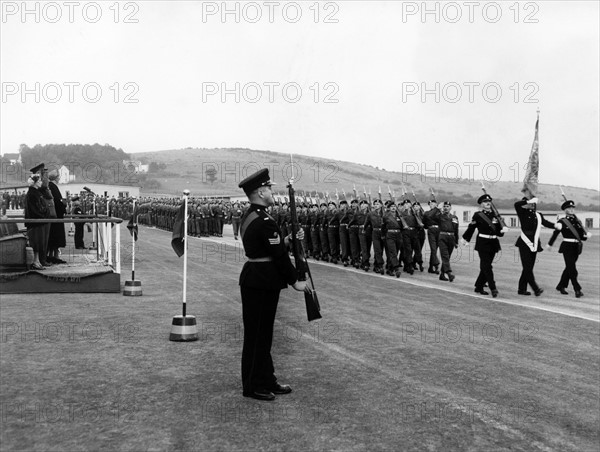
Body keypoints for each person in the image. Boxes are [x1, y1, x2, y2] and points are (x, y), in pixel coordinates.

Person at [237, 168, 307, 401]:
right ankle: (254, 385)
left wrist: (286, 240)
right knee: (258, 335)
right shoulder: (264, 220)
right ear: (259, 192)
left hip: (258, 277)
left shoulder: (253, 215)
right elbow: (277, 256)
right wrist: (295, 280)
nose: (271, 191)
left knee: (263, 334)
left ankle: (266, 379)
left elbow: (270, 248)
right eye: (267, 188)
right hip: (261, 279)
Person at [461, 194, 505, 297]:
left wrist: (503, 229)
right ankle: (493, 287)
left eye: (489, 201)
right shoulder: (478, 215)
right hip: (483, 243)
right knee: (487, 267)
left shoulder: (496, 216)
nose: (488, 203)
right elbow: (471, 228)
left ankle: (478, 286)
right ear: (481, 204)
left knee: (485, 267)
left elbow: (499, 233)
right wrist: (466, 239)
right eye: (485, 202)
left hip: (493, 243)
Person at [547, 199, 590, 298]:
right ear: (565, 210)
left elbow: (581, 236)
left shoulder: (577, 221)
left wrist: (586, 236)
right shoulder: (562, 221)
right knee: (573, 270)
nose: (571, 209)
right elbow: (555, 234)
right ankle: (577, 289)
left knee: (569, 268)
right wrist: (550, 244)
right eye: (569, 208)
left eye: (572, 208)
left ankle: (561, 285)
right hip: (567, 247)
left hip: (576, 247)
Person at [514, 197, 555, 296]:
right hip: (524, 243)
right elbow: (516, 205)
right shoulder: (522, 213)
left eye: (533, 203)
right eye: (529, 204)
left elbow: (545, 223)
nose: (531, 205)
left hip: (535, 243)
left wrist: (555, 225)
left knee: (528, 268)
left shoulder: (538, 215)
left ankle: (521, 289)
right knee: (527, 268)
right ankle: (535, 288)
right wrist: (527, 201)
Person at [24, 166, 49, 270]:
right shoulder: (32, 194)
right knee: (36, 242)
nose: (40, 182)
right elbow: (35, 210)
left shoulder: (36, 192)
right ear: (34, 182)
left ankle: (37, 260)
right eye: (38, 181)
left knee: (39, 243)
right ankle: (35, 261)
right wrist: (43, 215)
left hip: (38, 221)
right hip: (35, 222)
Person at [46, 171, 67, 264]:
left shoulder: (50, 186)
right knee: (55, 236)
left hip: (55, 215)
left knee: (53, 237)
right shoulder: (53, 187)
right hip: (56, 215)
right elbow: (57, 202)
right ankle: (54, 256)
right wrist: (64, 207)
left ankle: (52, 255)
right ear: (56, 177)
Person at [437, 202, 459, 282]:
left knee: (447, 257)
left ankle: (442, 274)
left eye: (448, 206)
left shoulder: (454, 218)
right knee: (445, 256)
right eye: (445, 206)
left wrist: (456, 241)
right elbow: (432, 216)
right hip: (443, 237)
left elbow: (456, 230)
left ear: (450, 208)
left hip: (452, 238)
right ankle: (449, 273)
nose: (446, 208)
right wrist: (438, 209)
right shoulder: (439, 216)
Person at [423, 198, 441, 274]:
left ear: (436, 204)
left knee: (434, 250)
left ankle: (431, 267)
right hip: (431, 231)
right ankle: (436, 265)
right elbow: (425, 223)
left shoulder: (440, 212)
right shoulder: (427, 213)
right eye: (430, 204)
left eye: (433, 204)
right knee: (433, 249)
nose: (431, 205)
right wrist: (437, 209)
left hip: (439, 231)